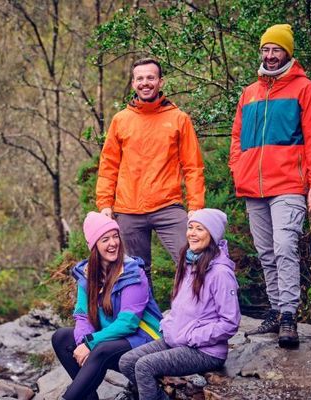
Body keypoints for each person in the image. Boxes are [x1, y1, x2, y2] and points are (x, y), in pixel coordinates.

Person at [228, 23, 311, 348]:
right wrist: (237, 168)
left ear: (288, 52)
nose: (270, 56)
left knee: (285, 247)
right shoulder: (250, 93)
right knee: (266, 252)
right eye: (266, 50)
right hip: (253, 188)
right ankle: (274, 310)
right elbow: (237, 138)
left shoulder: (304, 89)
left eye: (277, 50)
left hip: (289, 185)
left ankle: (288, 315)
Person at [95, 57, 205, 285]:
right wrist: (105, 204)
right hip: (128, 210)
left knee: (193, 261)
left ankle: (199, 315)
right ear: (134, 83)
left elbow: (193, 167)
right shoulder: (120, 120)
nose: (146, 83)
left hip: (168, 207)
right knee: (135, 275)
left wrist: (196, 207)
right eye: (140, 78)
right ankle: (145, 321)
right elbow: (108, 167)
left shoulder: (179, 119)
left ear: (160, 82)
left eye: (151, 78)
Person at [118, 208, 240, 400]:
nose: (192, 233)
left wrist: (193, 336)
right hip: (176, 339)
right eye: (190, 227)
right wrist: (168, 324)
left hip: (204, 350)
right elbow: (179, 306)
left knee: (144, 366)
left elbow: (230, 322)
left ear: (212, 234)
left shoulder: (221, 273)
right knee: (127, 361)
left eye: (199, 229)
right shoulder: (188, 262)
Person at [51, 211, 163, 400]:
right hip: (112, 338)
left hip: (145, 338)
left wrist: (91, 343)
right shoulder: (87, 274)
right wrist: (82, 343)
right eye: (105, 239)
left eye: (115, 236)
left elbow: (128, 323)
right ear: (94, 246)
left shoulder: (133, 273)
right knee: (61, 337)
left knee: (100, 349)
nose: (113, 243)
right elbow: (82, 314)